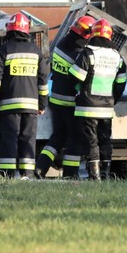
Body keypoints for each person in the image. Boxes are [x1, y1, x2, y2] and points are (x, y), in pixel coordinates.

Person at [0, 12, 49, 179]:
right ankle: (27, 174)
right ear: (26, 30)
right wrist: (42, 104)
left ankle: (7, 174)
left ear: (10, 29)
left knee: (9, 138)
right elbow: (43, 81)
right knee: (28, 138)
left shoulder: (4, 50)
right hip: (31, 105)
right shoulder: (36, 52)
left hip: (9, 105)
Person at [36, 15, 96, 179]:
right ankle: (70, 174)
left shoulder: (61, 45)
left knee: (57, 136)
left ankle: (41, 167)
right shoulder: (79, 53)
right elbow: (79, 77)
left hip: (55, 99)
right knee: (74, 138)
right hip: (71, 103)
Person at [69, 18, 127, 181]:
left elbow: (75, 77)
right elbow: (121, 82)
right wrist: (112, 99)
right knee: (105, 140)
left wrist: (78, 90)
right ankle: (105, 174)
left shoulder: (88, 54)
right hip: (107, 108)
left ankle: (94, 176)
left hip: (87, 107)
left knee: (91, 141)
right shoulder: (118, 57)